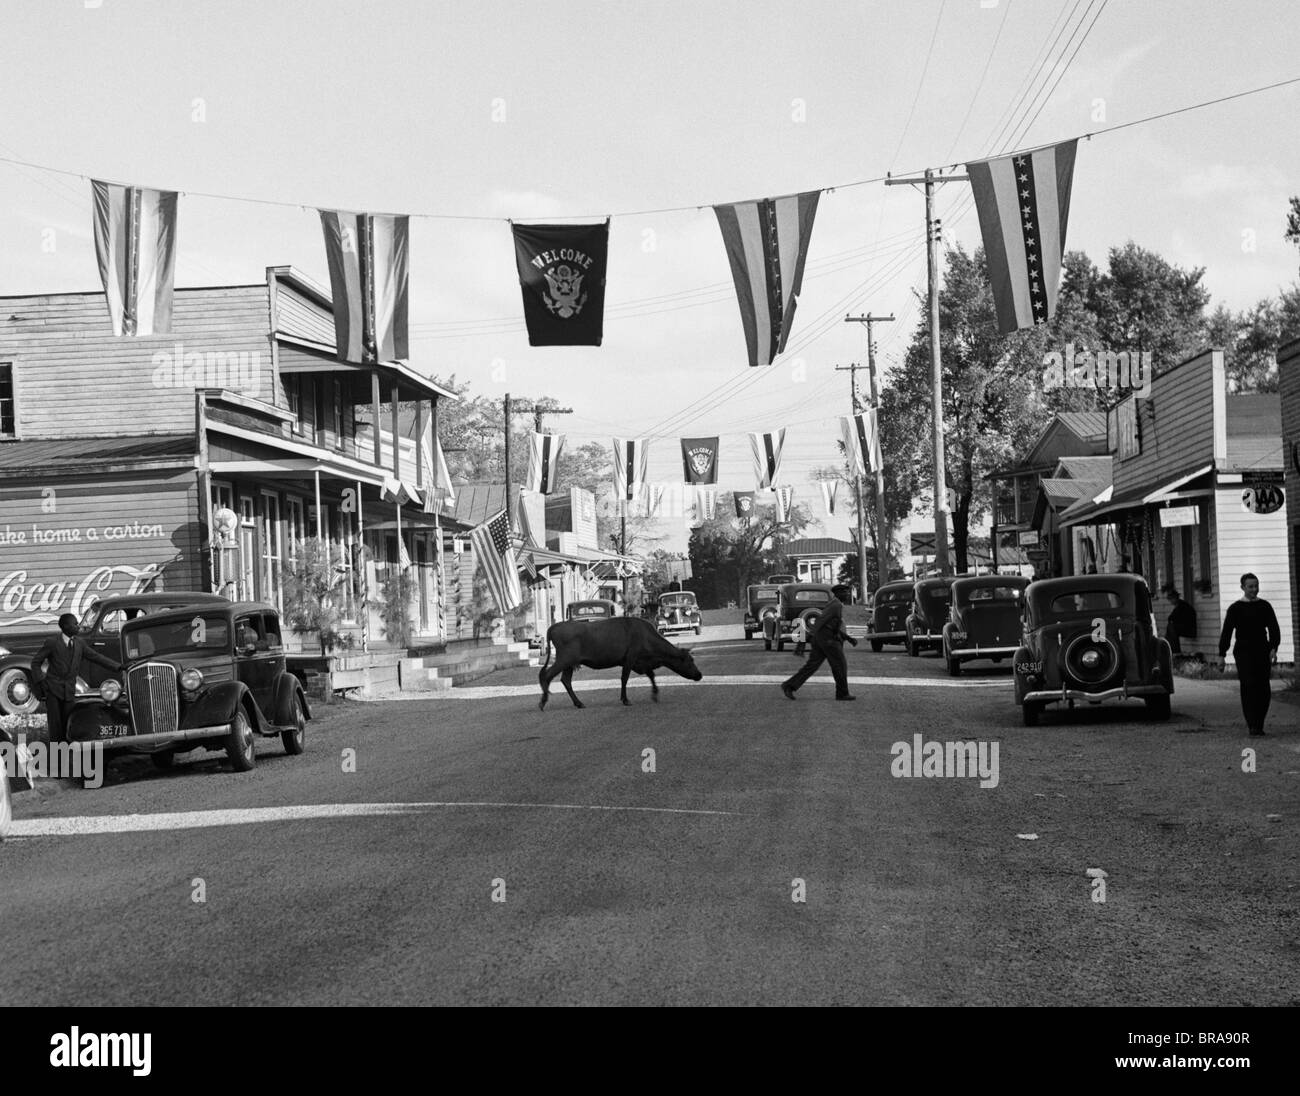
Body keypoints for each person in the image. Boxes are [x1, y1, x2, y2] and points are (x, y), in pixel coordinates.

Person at [30, 613, 123, 743]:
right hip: (53, 689)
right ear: (65, 626)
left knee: (69, 721)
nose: (78, 626)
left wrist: (118, 667)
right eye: (75, 624)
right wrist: (41, 682)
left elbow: (96, 657)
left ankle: (69, 750)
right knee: (55, 725)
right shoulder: (52, 643)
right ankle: (58, 754)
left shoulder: (79, 643)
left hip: (69, 689)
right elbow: (35, 663)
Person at [1217, 573, 1281, 736]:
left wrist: (1274, 647)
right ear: (1243, 588)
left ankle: (1259, 722)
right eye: (1250, 586)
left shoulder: (1265, 606)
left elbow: (1274, 628)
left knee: (1263, 687)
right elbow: (1227, 632)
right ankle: (1252, 723)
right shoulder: (1235, 608)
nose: (1254, 589)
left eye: (1256, 586)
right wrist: (1221, 654)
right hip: (1243, 652)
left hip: (1262, 650)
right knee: (1248, 685)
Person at [782, 584, 858, 701]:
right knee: (840, 665)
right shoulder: (836, 605)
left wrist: (848, 638)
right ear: (837, 594)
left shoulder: (835, 604)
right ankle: (842, 693)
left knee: (812, 666)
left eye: (847, 592)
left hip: (821, 639)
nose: (847, 595)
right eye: (845, 593)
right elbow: (821, 620)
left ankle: (789, 686)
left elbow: (832, 624)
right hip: (828, 640)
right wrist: (808, 636)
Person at [1162, 586, 1197, 655]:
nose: (1171, 601)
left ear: (1175, 598)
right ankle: (1169, 647)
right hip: (1183, 627)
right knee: (1171, 628)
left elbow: (1173, 617)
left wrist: (1172, 621)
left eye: (1171, 599)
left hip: (1189, 628)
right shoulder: (1179, 605)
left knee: (1171, 628)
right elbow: (1171, 618)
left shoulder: (1182, 606)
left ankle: (1174, 650)